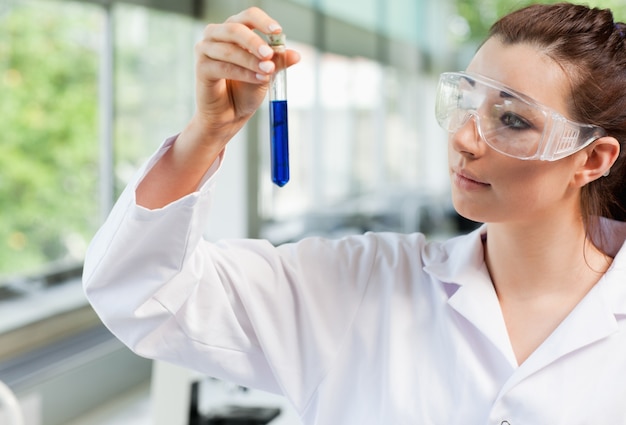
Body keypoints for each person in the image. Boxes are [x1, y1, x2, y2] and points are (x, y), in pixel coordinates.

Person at [83, 3, 626, 424]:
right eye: (466, 102)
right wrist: (208, 134)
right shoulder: (359, 286)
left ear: (592, 158)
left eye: (511, 119)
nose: (464, 138)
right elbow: (139, 291)